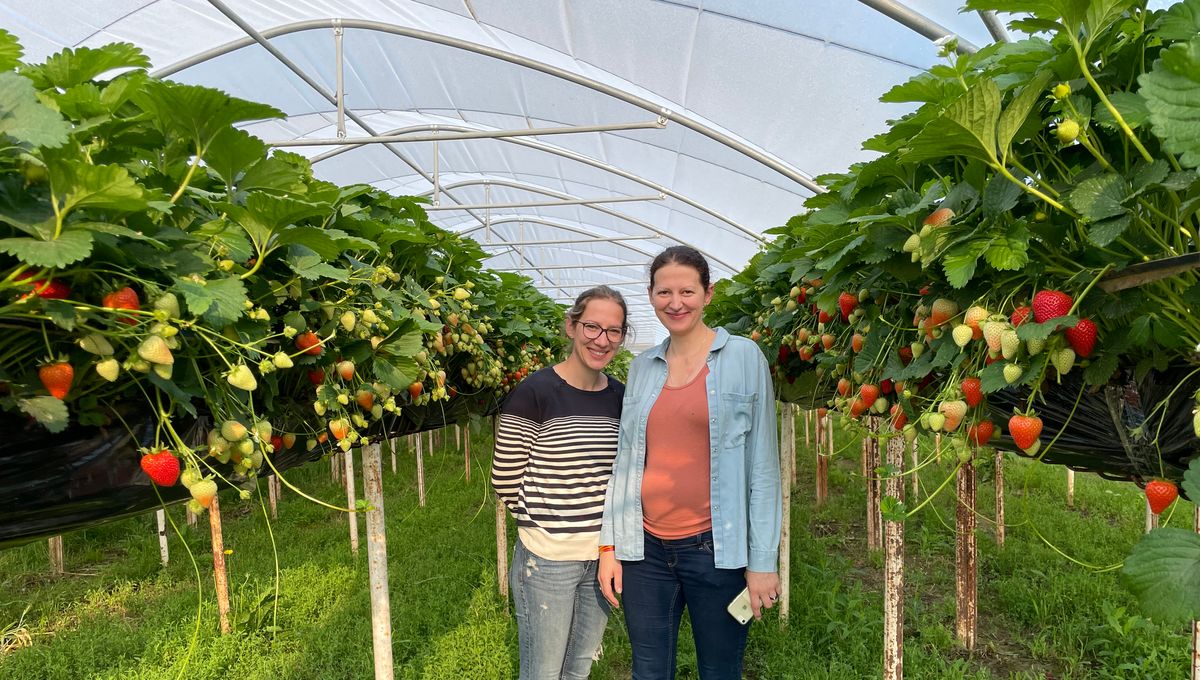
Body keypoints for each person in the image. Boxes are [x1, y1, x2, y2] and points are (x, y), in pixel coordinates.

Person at [598, 245, 781, 680]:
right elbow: (624, 463)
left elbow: (763, 467)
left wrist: (762, 562)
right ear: (650, 295)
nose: (675, 303)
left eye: (686, 291)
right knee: (648, 669)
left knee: (720, 669)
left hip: (717, 550)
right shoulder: (642, 367)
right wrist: (610, 546)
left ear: (708, 294)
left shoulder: (743, 358)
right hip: (645, 551)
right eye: (664, 292)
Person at [491, 285, 630, 680]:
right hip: (548, 560)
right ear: (571, 326)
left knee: (579, 669)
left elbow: (621, 473)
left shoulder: (620, 397)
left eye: (613, 331)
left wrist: (608, 543)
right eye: (591, 327)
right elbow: (505, 478)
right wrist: (545, 528)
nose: (601, 340)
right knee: (543, 672)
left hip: (603, 557)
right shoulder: (535, 393)